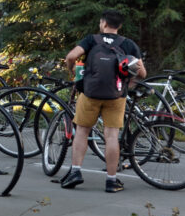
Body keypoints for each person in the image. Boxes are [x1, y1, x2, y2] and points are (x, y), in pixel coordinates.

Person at [60, 10, 146, 193]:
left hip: (89, 94)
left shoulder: (91, 40)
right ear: (119, 26)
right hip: (116, 96)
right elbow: (142, 72)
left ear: (103, 23)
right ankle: (111, 180)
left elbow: (71, 56)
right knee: (112, 136)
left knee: (82, 131)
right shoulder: (128, 44)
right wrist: (129, 81)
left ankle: (75, 172)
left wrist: (72, 70)